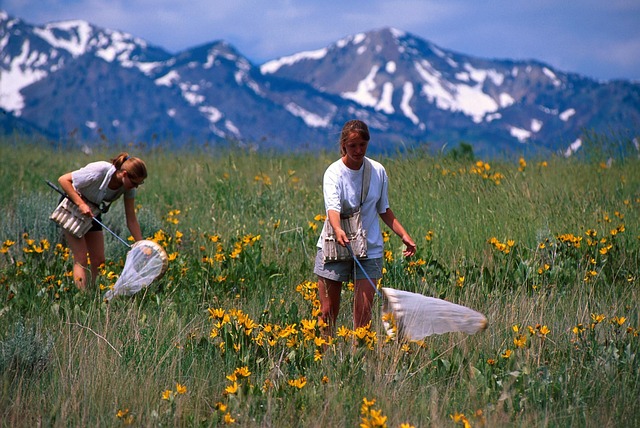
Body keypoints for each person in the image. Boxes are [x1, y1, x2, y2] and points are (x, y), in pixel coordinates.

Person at [314, 120, 416, 335]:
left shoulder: (377, 171)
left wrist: (404, 235)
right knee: (327, 312)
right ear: (343, 145)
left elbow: (384, 209)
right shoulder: (333, 173)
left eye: (362, 144)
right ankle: (322, 358)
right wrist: (338, 229)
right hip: (335, 244)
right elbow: (332, 208)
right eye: (352, 146)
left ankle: (359, 361)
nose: (358, 150)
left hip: (369, 249)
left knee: (363, 317)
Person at [57, 152, 147, 290]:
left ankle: (93, 295)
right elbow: (63, 180)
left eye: (139, 184)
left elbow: (131, 219)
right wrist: (81, 204)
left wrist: (141, 244)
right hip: (72, 206)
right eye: (135, 183)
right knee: (81, 258)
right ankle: (81, 298)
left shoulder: (128, 187)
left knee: (99, 261)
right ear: (124, 174)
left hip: (92, 211)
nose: (136, 187)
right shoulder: (100, 170)